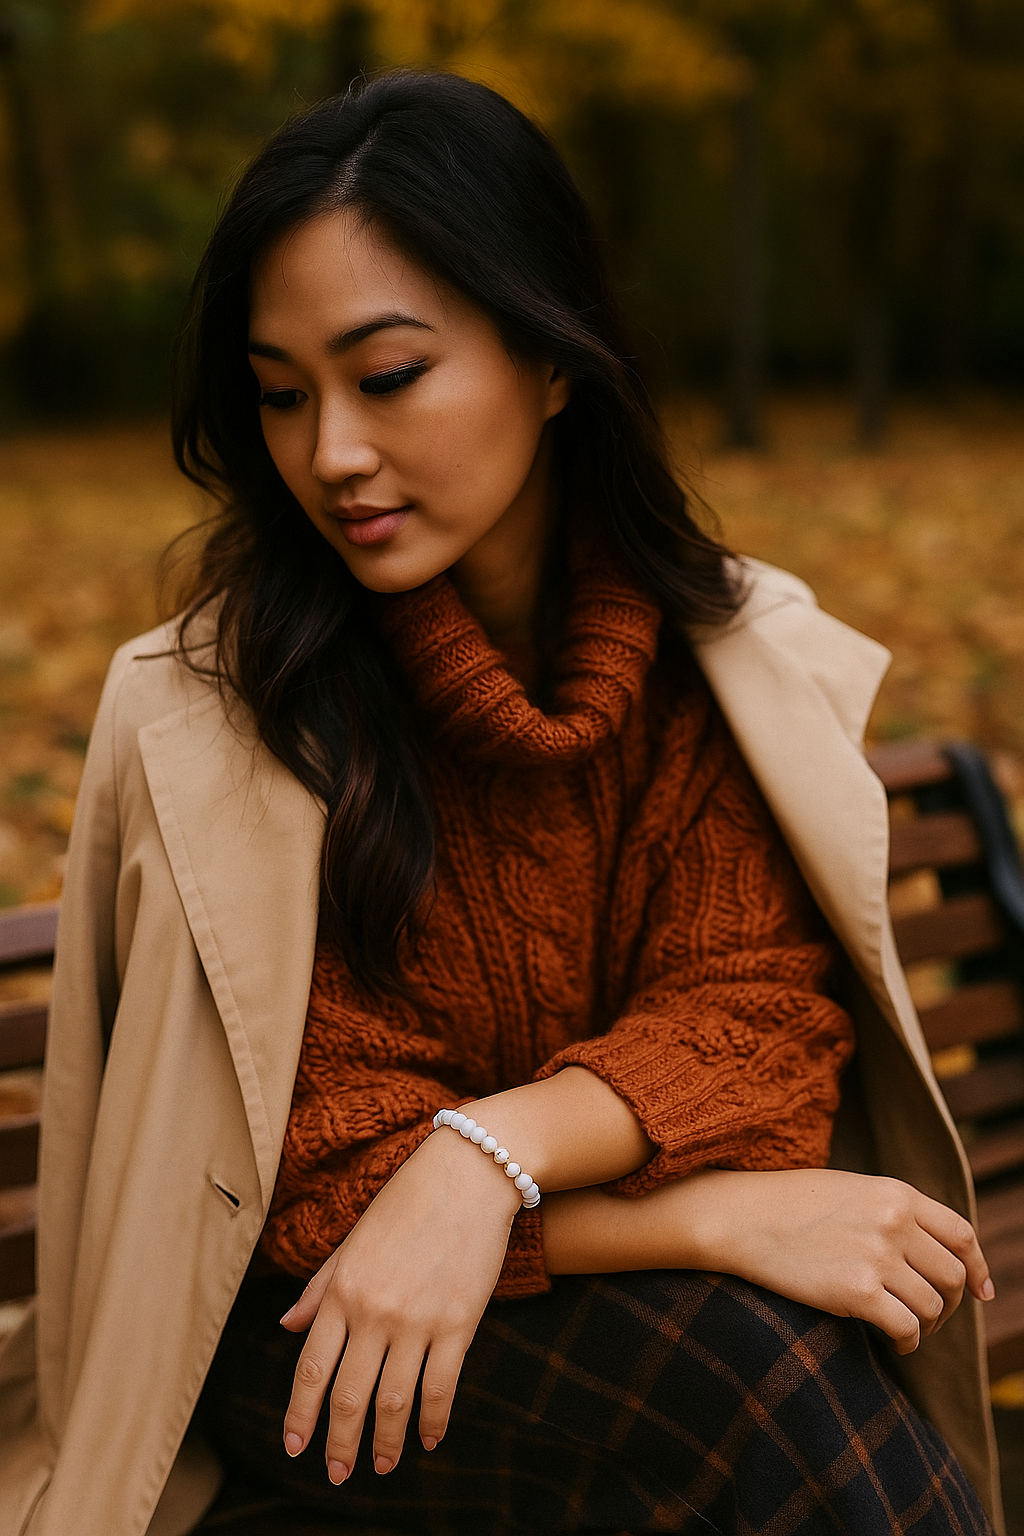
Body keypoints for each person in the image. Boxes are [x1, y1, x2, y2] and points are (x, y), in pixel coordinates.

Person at [0, 71, 1003, 1536]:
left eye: (387, 375)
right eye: (282, 394)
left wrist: (486, 1161)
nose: (330, 453)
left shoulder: (717, 663)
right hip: (288, 1339)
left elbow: (756, 1027)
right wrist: (710, 1214)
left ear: (551, 358)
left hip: (555, 1290)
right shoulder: (219, 717)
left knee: (762, 1368)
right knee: (755, 1375)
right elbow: (322, 1178)